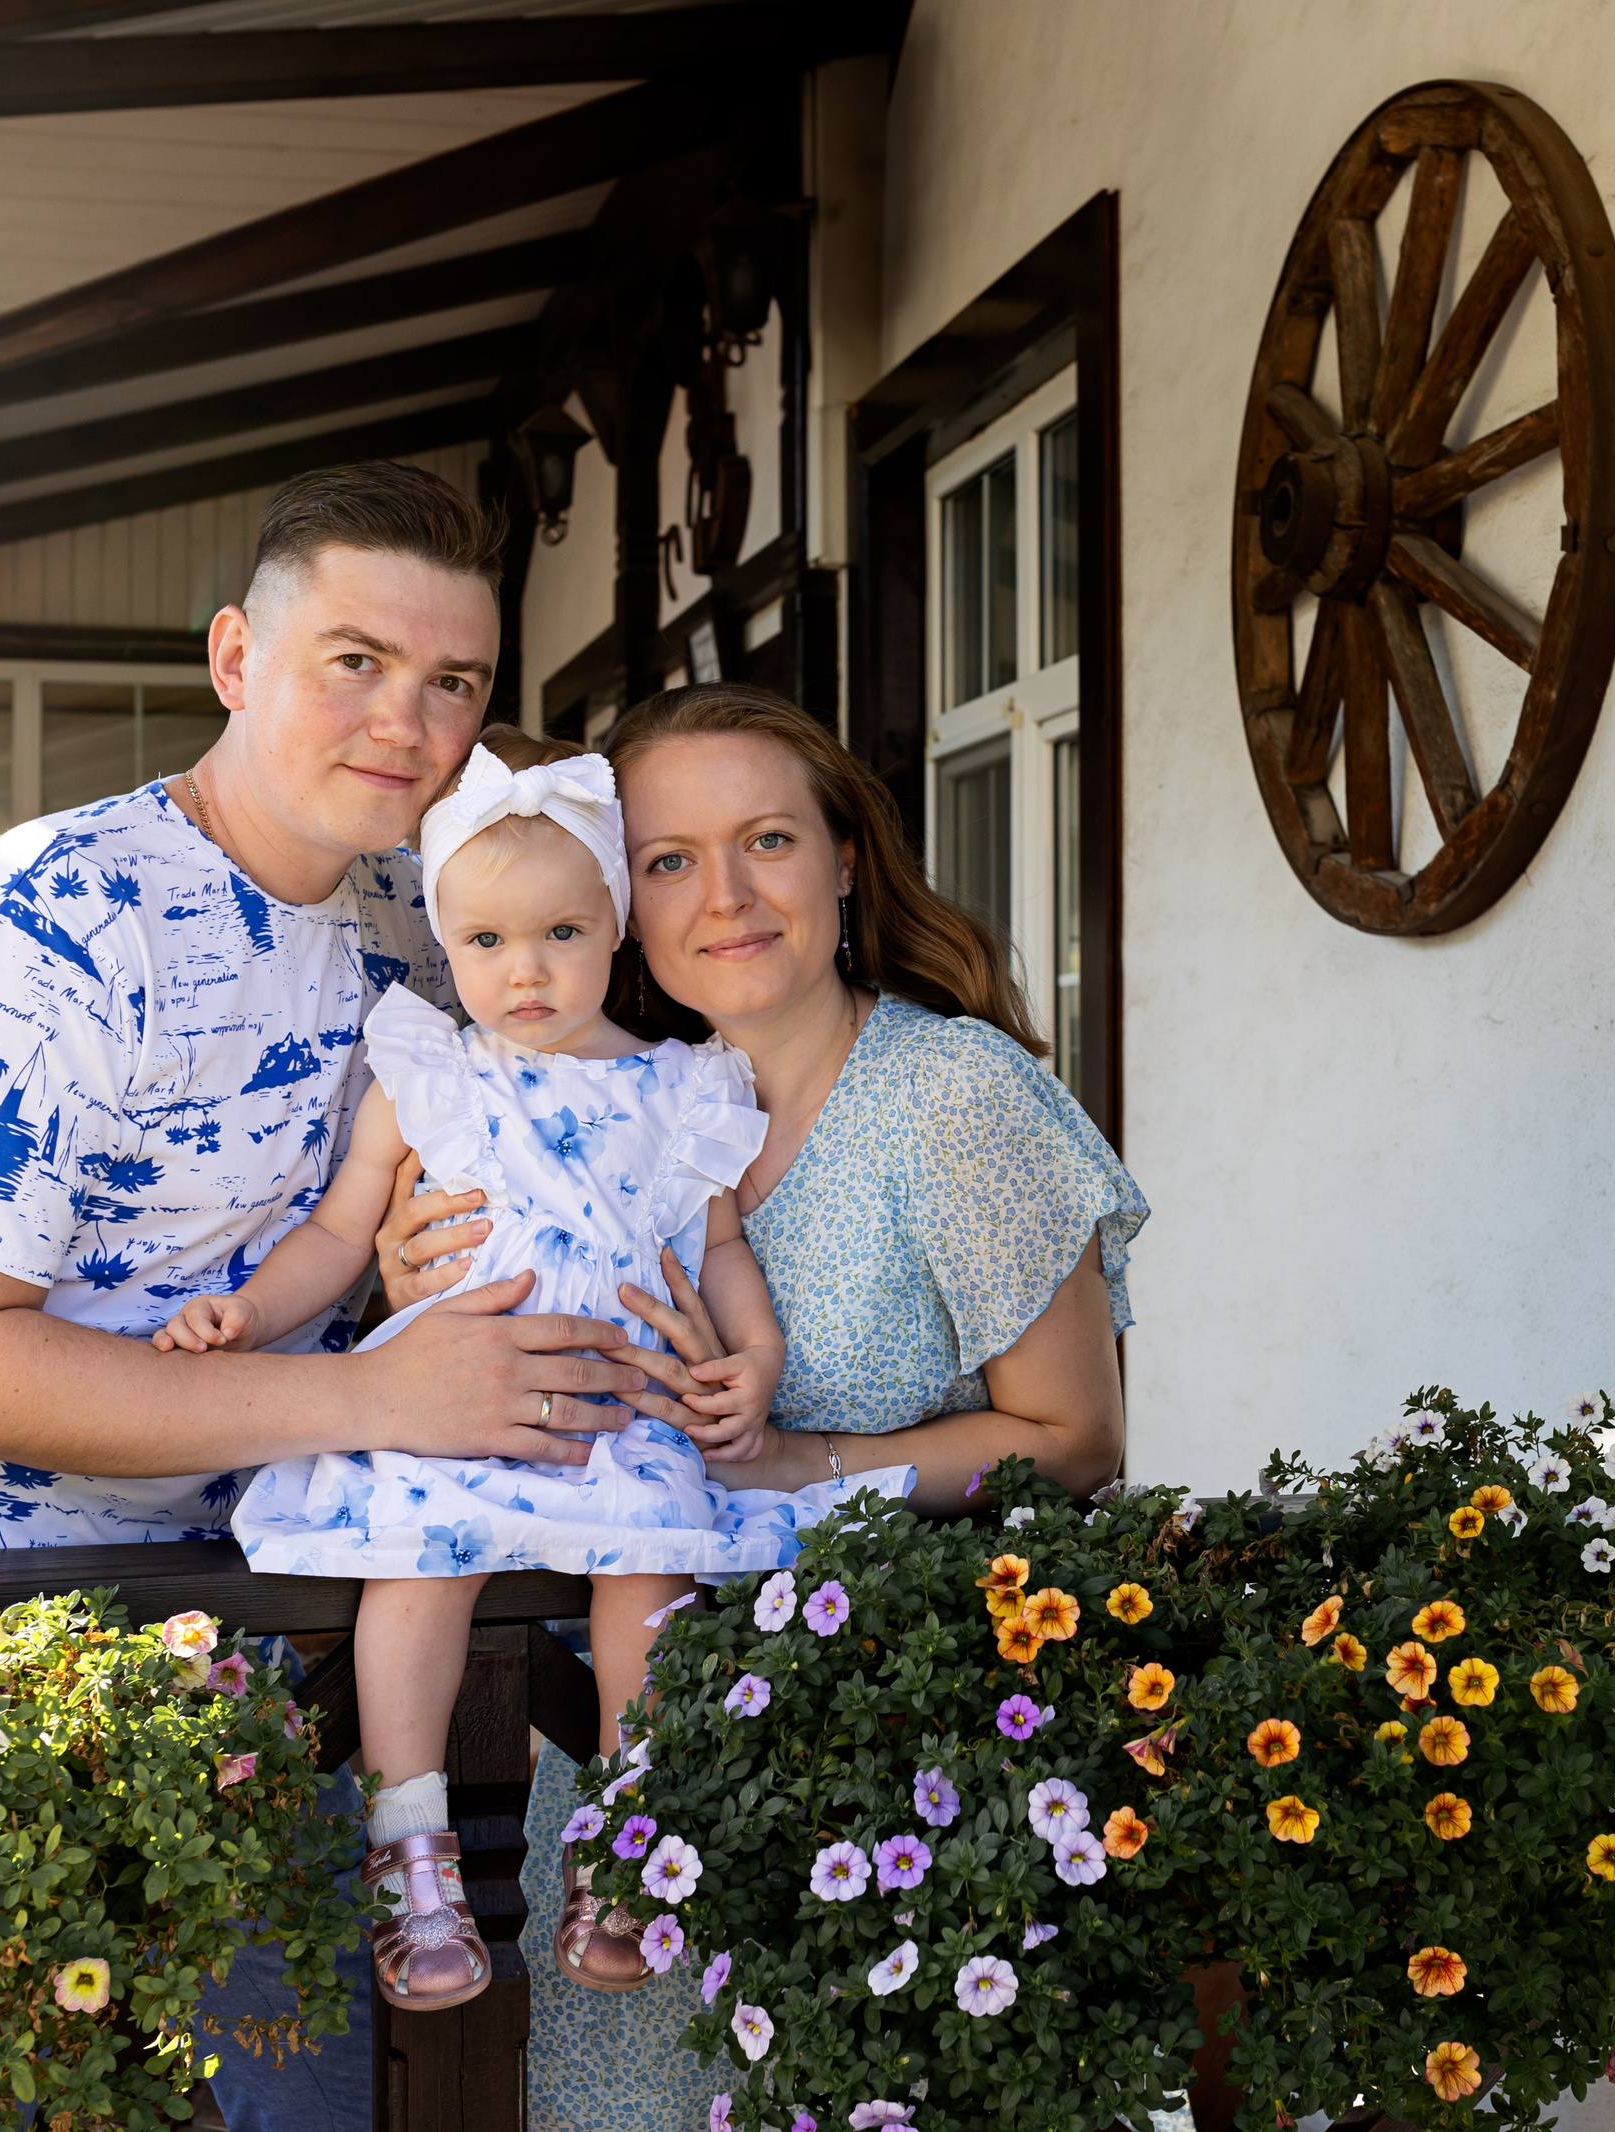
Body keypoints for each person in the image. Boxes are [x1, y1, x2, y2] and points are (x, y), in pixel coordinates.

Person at [376, 682, 1148, 2132]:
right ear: (614, 896)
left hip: (899, 1795)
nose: (722, 895)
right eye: (668, 859)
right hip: (622, 1810)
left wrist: (799, 1461)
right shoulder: (603, 1104)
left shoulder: (949, 1097)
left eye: (769, 841)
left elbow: (1076, 1444)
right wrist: (405, 1269)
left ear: (846, 858)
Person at [0, 463, 654, 1566]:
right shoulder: (57, 910)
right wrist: (368, 1392)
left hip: (249, 1585)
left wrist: (418, 1278)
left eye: (453, 682)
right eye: (356, 661)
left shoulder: (440, 925)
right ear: (235, 659)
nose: (405, 725)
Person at [174, 728, 896, 2012]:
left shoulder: (680, 1086)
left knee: (651, 1563)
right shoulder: (431, 1074)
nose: (525, 972)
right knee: (419, 1563)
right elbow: (343, 1234)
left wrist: (759, 1350)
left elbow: (718, 1245)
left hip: (620, 1401)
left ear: (614, 928)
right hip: (449, 1395)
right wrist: (244, 1308)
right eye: (487, 944)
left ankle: (623, 1831)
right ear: (446, 945)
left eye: (561, 934)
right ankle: (411, 1843)